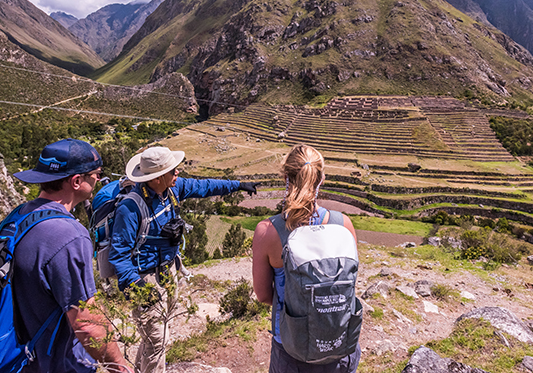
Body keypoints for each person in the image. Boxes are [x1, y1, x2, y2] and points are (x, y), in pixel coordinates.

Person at [109, 146, 258, 373]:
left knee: (156, 337)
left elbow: (205, 186)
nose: (178, 173)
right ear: (158, 177)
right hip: (144, 280)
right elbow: (118, 256)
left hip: (168, 272)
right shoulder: (130, 209)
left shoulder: (172, 189)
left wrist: (237, 185)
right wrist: (137, 287)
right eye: (173, 170)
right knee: (158, 341)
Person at [11, 138, 130, 373]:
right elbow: (87, 325)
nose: (98, 179)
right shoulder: (68, 235)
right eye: (95, 173)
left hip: (17, 359)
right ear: (77, 181)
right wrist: (121, 368)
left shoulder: (19, 215)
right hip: (55, 365)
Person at [252, 144, 361, 373]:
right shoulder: (344, 225)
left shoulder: (268, 232)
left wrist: (300, 304)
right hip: (340, 342)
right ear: (321, 178)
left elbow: (263, 295)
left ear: (285, 178)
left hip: (292, 348)